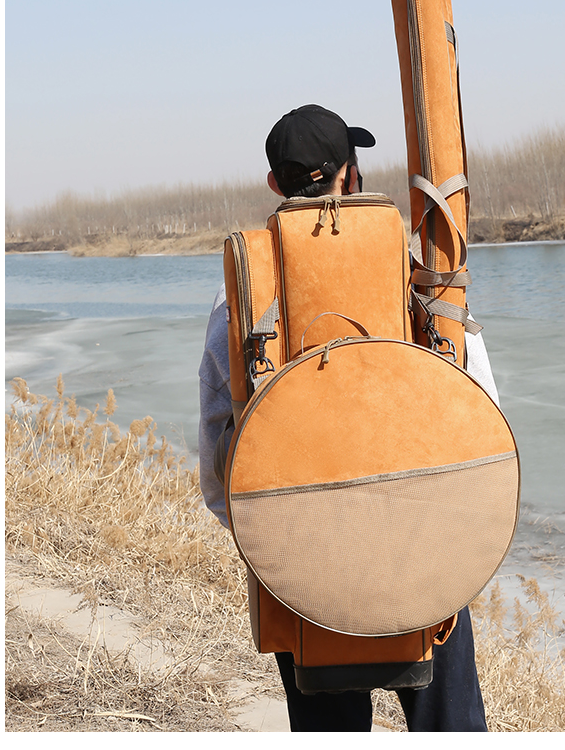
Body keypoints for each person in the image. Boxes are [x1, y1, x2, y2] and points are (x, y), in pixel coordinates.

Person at [198, 104, 498, 732]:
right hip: (422, 554)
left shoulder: (241, 293)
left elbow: (222, 458)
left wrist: (272, 547)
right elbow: (481, 417)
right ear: (351, 175)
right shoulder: (413, 274)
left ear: (276, 185)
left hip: (303, 563)